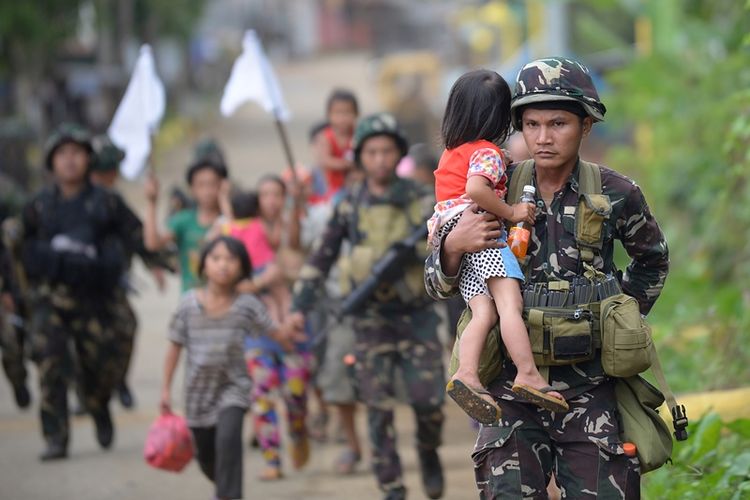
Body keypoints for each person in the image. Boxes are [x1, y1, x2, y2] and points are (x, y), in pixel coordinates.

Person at [424, 57, 670, 498]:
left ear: (586, 125)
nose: (543, 138)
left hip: (592, 388)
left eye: (558, 123)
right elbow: (436, 285)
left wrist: (618, 320)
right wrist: (452, 247)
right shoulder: (493, 189)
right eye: (532, 124)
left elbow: (652, 260)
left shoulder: (615, 193)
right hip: (509, 393)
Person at [291, 113, 446, 500]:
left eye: (386, 150)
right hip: (370, 319)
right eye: (371, 152)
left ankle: (428, 454)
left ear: (397, 154)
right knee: (378, 409)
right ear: (360, 157)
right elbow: (322, 255)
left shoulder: (420, 198)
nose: (379, 159)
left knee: (429, 404)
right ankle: (391, 485)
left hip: (416, 316)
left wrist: (409, 252)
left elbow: (444, 240)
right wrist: (300, 304)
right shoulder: (350, 205)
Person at [428, 69, 567, 424]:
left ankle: (467, 373)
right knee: (509, 304)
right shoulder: (487, 153)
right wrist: (511, 210)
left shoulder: (450, 154)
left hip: (457, 232)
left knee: (484, 312)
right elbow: (477, 190)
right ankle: (528, 373)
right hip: (485, 233)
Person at [21, 123, 134, 460]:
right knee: (50, 362)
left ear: (88, 159)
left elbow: (134, 237)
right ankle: (56, 436)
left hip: (95, 300)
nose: (70, 161)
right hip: (50, 300)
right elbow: (18, 248)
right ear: (52, 162)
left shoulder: (107, 203)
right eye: (62, 154)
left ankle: (98, 405)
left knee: (98, 367)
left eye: (77, 153)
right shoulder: (38, 206)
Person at [160, 236, 301, 500]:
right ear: (204, 265)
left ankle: (228, 495)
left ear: (242, 267)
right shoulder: (189, 304)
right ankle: (224, 487)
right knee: (207, 457)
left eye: (231, 259)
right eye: (216, 259)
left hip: (233, 388)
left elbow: (274, 332)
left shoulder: (247, 305)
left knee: (228, 440)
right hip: (197, 395)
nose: (223, 265)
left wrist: (291, 329)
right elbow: (174, 347)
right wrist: (165, 390)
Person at [89, 134, 170, 409]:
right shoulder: (60, 198)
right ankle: (88, 392)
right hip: (70, 286)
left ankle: (118, 380)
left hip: (110, 282)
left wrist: (156, 263)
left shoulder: (113, 202)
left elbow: (135, 235)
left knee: (124, 328)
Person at [144, 139, 228, 292]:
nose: (207, 191)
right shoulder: (184, 220)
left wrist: (226, 203)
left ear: (222, 185)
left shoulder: (231, 220)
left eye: (212, 184)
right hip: (191, 303)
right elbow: (153, 243)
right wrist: (152, 203)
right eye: (201, 185)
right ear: (192, 189)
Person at [310, 89, 359, 203]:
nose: (342, 118)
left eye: (347, 113)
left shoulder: (357, 135)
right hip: (334, 187)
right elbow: (324, 160)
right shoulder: (326, 137)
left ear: (356, 114)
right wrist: (345, 164)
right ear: (329, 115)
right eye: (338, 113)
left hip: (357, 184)